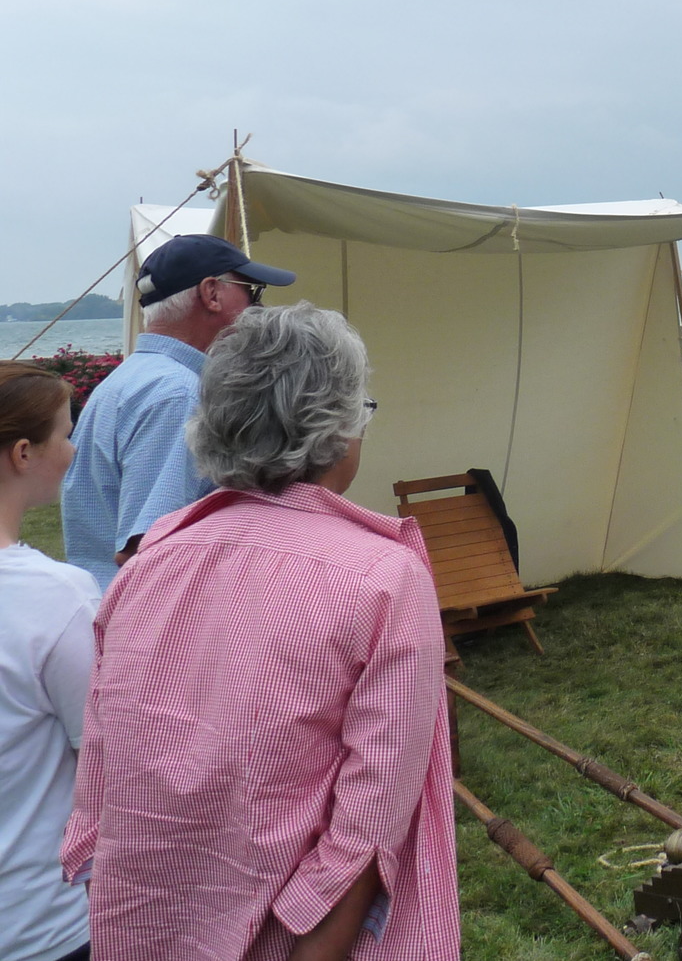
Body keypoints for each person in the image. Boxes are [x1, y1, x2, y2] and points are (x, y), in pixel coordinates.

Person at [63, 304, 458, 961]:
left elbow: (105, 775)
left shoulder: (150, 559)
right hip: (296, 938)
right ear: (336, 425)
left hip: (144, 923)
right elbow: (368, 828)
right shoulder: (383, 578)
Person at [61, 233, 295, 588]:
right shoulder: (178, 394)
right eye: (252, 292)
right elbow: (152, 548)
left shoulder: (128, 379)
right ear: (211, 293)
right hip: (147, 624)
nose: (257, 308)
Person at [0, 363, 98, 961]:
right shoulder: (59, 598)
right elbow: (110, 764)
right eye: (64, 434)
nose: (73, 448)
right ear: (23, 454)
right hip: (42, 926)